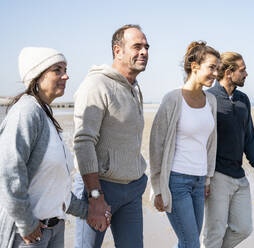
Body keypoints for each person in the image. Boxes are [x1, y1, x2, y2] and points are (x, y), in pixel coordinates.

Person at [0, 47, 89, 248]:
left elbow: (55, 185)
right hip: (28, 236)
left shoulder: (45, 112)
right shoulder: (26, 112)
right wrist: (26, 224)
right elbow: (9, 172)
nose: (66, 76)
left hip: (54, 229)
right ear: (36, 76)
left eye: (65, 69)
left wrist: (87, 210)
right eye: (57, 70)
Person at [73, 24, 149, 248]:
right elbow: (83, 142)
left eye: (146, 47)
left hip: (132, 189)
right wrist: (95, 195)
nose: (144, 52)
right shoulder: (96, 84)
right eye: (137, 46)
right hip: (99, 189)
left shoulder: (134, 88)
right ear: (118, 51)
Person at [150, 41, 219, 248]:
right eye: (211, 67)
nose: (216, 73)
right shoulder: (172, 99)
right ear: (195, 66)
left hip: (199, 182)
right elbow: (156, 145)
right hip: (176, 181)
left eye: (217, 68)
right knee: (191, 243)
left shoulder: (211, 102)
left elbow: (210, 143)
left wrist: (207, 179)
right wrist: (157, 188)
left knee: (188, 242)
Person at [203, 52, 254, 248]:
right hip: (216, 176)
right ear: (229, 72)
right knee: (214, 232)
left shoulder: (243, 99)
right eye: (243, 70)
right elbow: (201, 141)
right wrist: (204, 178)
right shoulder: (209, 98)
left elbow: (249, 135)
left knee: (243, 228)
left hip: (239, 175)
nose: (246, 74)